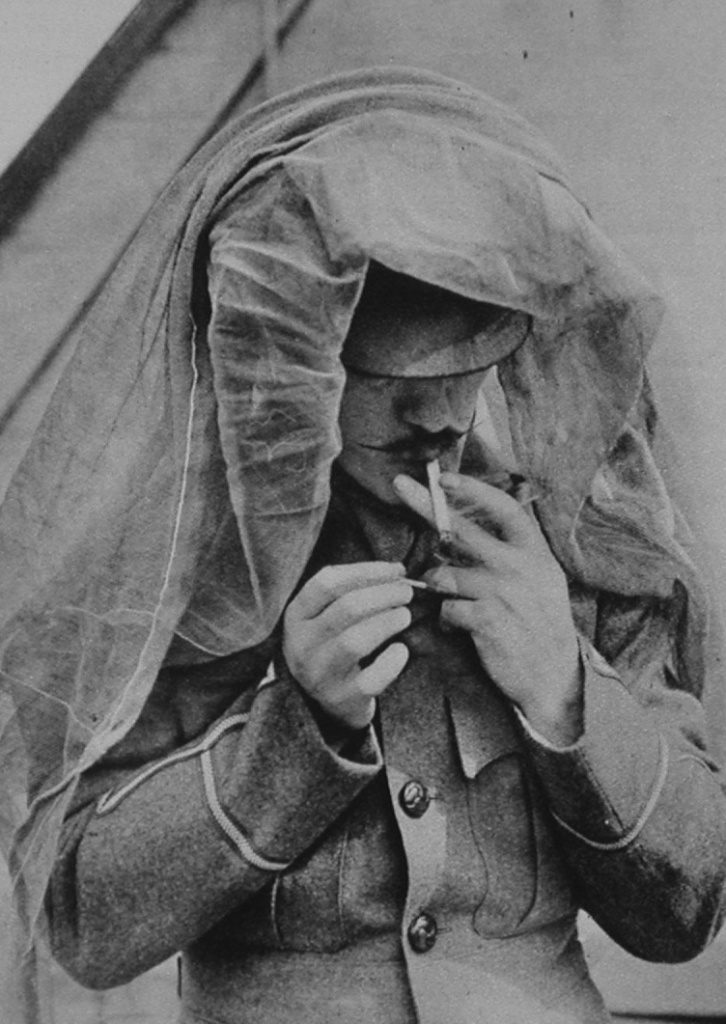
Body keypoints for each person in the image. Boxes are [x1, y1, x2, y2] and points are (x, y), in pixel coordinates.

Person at [2, 67, 726, 1024]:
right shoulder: (186, 581)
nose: (445, 412)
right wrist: (295, 728)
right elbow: (82, 924)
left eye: (474, 365)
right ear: (286, 358)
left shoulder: (566, 548)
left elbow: (691, 909)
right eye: (390, 375)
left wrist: (563, 684)